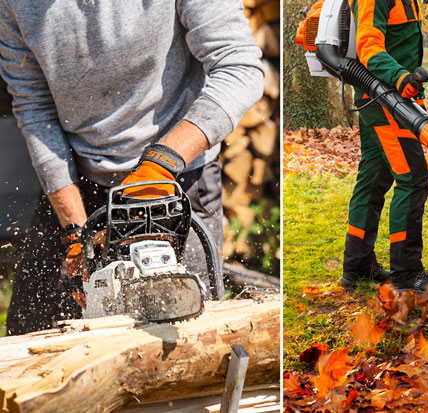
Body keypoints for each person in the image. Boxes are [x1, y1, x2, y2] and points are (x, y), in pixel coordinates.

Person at [0, 1, 265, 335]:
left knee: (185, 341)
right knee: (31, 338)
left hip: (175, 181)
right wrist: (74, 231)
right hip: (78, 183)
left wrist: (160, 165)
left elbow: (240, 68)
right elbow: (33, 104)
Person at [341, 0, 428, 292]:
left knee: (373, 179)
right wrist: (399, 76)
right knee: (413, 178)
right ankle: (407, 274)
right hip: (384, 100)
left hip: (388, 99)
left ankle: (357, 263)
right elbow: (368, 46)